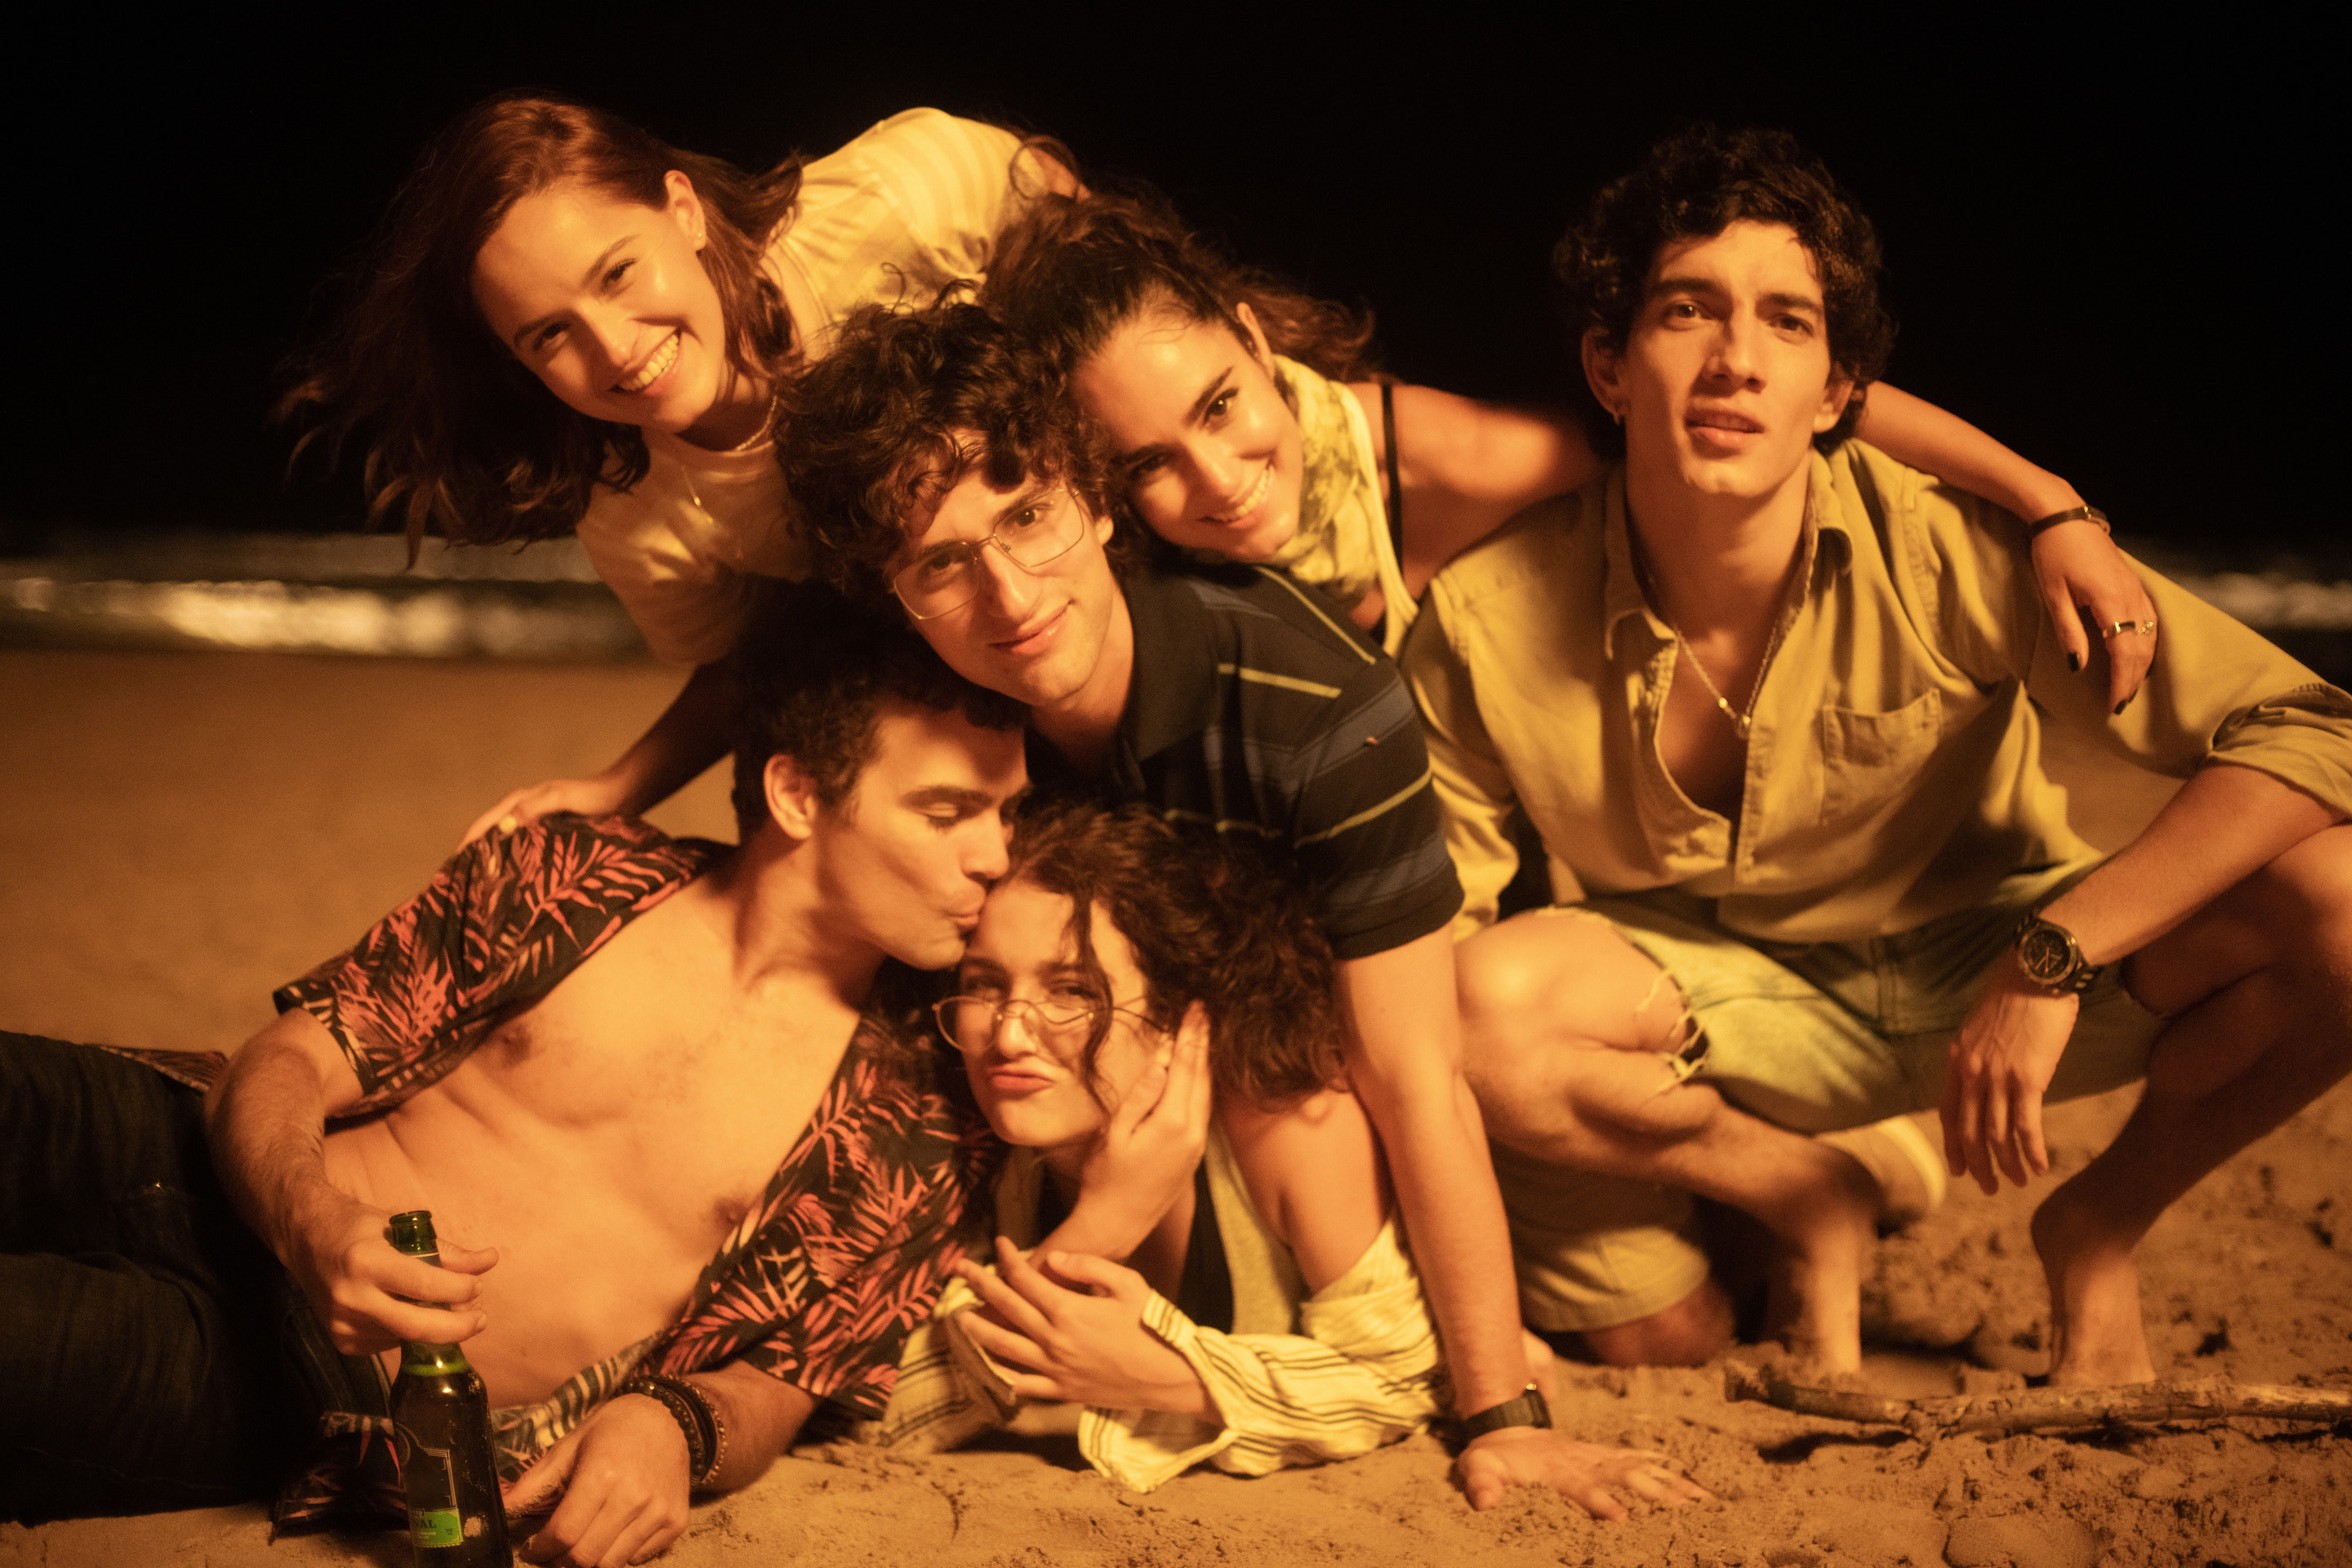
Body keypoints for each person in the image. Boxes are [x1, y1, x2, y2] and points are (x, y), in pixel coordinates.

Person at [1401, 124, 2352, 1383]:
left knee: (2345, 903)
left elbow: (2313, 731)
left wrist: (2054, 956)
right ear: (1611, 366)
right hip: (1722, 1007)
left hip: (1992, 959)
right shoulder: (1484, 618)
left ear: (1839, 393)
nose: (1737, 360)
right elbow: (1417, 966)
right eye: (1687, 310)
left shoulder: (1945, 549)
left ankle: (2097, 1228)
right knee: (1655, 1320)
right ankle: (1807, 1187)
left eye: (1787, 324)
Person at [777, 301, 1682, 1515]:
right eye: (943, 564)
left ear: (1092, 502)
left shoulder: (1318, 712)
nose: (1009, 595)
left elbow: (1412, 1074)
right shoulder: (940, 731)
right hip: (1099, 1096)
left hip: (1330, 1056)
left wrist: (1498, 1411)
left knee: (1655, 1326)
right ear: (895, 595)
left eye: (1029, 519)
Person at [0, 590, 1027, 1564]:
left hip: (303, 1374)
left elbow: (784, 1382)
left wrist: (674, 1426)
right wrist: (309, 1216)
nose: (995, 858)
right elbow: (293, 1057)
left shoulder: (918, 1118)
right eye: (949, 813)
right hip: (185, 1150)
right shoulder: (577, 875)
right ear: (799, 794)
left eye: (1008, 815)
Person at [978, 187, 2156, 709]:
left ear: (1248, 337)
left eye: (1223, 409)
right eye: (1146, 465)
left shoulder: (1454, 463)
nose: (1219, 483)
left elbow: (1773, 410)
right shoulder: (1071, 539)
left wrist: (2047, 504)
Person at [864, 797, 1709, 1509]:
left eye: (1072, 989)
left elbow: (1410, 1377)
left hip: (1580, 1219)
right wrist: (1099, 1228)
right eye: (984, 985)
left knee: (1673, 1335)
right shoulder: (993, 1134)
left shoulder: (1289, 1118)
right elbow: (883, 1413)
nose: (1009, 1033)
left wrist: (1167, 1377)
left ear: (1176, 1015)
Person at [281, 92, 1078, 844]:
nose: (616, 347)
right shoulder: (632, 514)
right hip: (945, 667)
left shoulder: (900, 199)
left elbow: (1113, 273)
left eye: (617, 273)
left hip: (1100, 566)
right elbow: (756, 658)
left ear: (685, 209)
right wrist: (620, 787)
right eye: (551, 334)